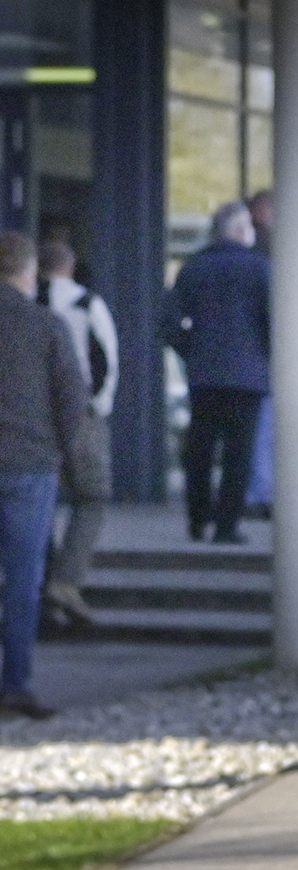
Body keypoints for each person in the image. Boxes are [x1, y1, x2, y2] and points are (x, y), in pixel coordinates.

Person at [0, 231, 87, 718]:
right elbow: (72, 400)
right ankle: (14, 684)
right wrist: (59, 449)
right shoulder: (45, 325)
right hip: (30, 467)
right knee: (23, 580)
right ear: (28, 272)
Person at [163, 201, 271, 544]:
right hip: (248, 376)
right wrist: (266, 354)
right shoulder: (260, 268)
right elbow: (274, 319)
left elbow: (169, 321)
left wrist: (191, 350)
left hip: (204, 374)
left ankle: (197, 520)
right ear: (241, 231)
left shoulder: (193, 268)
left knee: (201, 449)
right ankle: (226, 526)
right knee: (239, 453)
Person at [37, 240, 120, 625]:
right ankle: (65, 582)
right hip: (82, 414)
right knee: (92, 496)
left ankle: (44, 587)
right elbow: (107, 361)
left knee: (39, 500)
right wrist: (98, 407)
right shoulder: (89, 305)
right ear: (70, 266)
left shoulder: (27, 305)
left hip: (33, 415)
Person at [244, 188, 276, 519]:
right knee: (264, 427)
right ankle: (262, 492)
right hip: (265, 358)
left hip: (252, 357)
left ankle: (259, 489)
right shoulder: (266, 254)